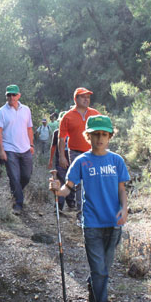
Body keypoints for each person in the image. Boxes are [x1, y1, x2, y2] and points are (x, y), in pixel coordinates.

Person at [49, 115, 129, 302]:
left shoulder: (117, 161)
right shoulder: (82, 161)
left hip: (113, 224)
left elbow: (122, 189)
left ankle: (92, 286)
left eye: (104, 134)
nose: (100, 138)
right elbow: (68, 188)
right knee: (101, 272)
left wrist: (124, 208)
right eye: (96, 134)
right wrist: (57, 189)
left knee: (103, 270)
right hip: (92, 224)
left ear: (110, 137)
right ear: (88, 136)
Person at [58, 87, 100, 219]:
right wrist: (61, 156)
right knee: (80, 181)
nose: (86, 99)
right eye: (83, 97)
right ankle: (81, 212)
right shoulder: (68, 116)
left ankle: (94, 209)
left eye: (88, 97)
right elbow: (61, 138)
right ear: (75, 99)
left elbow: (103, 133)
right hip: (76, 153)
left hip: (94, 152)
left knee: (95, 180)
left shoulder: (95, 114)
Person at [0, 84, 34, 214]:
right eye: (9, 95)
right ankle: (18, 203)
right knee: (14, 177)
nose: (11, 97)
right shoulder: (1, 111)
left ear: (19, 95)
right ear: (6, 96)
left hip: (25, 148)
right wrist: (1, 150)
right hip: (9, 149)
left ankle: (15, 192)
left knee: (26, 176)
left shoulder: (26, 110)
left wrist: (31, 145)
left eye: (13, 95)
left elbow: (29, 128)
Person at [47, 111, 75, 211]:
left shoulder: (74, 132)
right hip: (60, 161)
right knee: (61, 181)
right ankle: (59, 205)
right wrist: (50, 160)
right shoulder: (56, 133)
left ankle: (71, 202)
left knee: (71, 180)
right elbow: (53, 147)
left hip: (72, 160)